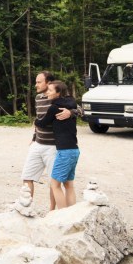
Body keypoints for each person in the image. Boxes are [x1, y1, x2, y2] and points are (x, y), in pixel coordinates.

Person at [20, 71, 75, 209]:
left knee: (54, 182)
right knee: (27, 176)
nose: (36, 85)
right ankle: (26, 208)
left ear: (48, 83)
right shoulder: (38, 98)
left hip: (53, 147)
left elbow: (79, 108)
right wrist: (34, 136)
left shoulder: (59, 98)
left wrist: (71, 112)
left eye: (39, 82)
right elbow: (39, 118)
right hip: (38, 144)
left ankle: (52, 211)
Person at [36, 80, 80, 210]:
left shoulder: (54, 108)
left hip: (64, 152)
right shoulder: (71, 104)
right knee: (69, 186)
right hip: (74, 150)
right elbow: (76, 109)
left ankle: (61, 216)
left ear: (58, 92)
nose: (47, 93)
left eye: (50, 91)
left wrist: (35, 121)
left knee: (55, 185)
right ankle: (72, 214)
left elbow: (43, 123)